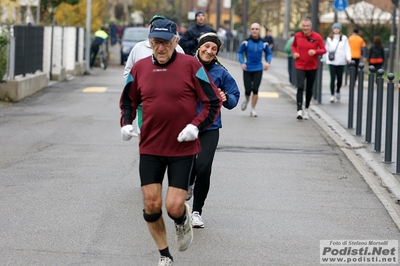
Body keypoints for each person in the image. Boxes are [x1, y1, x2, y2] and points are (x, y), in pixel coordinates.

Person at [119, 19, 222, 266]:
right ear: (150, 42)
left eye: (165, 42)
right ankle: (165, 254)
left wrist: (194, 127)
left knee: (174, 206)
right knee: (152, 205)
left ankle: (180, 219)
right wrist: (126, 122)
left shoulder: (191, 65)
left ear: (175, 41)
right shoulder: (140, 68)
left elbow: (213, 101)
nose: (160, 48)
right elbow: (128, 101)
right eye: (156, 43)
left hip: (181, 147)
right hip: (150, 146)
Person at [186, 33, 240, 228]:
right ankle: (188, 183)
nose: (209, 51)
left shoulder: (220, 73)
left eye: (214, 49)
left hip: (210, 126)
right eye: (206, 46)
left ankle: (197, 211)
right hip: (187, 125)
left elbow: (234, 96)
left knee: (204, 167)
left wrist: (227, 98)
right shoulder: (185, 66)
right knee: (189, 165)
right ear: (199, 47)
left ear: (217, 52)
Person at [123, 15, 185, 142]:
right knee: (144, 131)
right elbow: (129, 72)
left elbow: (184, 73)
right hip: (144, 100)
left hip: (169, 100)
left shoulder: (177, 49)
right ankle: (146, 154)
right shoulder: (138, 48)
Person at [291, 18, 326, 120]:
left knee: (309, 89)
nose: (305, 28)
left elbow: (324, 49)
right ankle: (299, 110)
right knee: (300, 86)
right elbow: (293, 46)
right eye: (303, 26)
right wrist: (294, 53)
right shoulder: (297, 36)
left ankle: (306, 108)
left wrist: (315, 52)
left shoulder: (317, 37)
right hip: (300, 65)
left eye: (307, 26)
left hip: (312, 66)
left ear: (311, 27)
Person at [237, 22, 272, 117]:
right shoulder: (246, 42)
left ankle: (253, 109)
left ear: (259, 30)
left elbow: (269, 53)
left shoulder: (264, 43)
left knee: (255, 89)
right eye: (253, 29)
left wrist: (268, 62)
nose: (254, 31)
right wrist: (242, 63)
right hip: (247, 68)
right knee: (248, 90)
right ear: (250, 30)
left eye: (256, 29)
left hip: (258, 68)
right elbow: (240, 52)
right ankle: (247, 99)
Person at [324, 23, 351, 103]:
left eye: (337, 28)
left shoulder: (344, 38)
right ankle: (332, 94)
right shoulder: (329, 39)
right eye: (335, 28)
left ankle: (338, 90)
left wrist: (348, 58)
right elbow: (326, 49)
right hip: (332, 61)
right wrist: (324, 59)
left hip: (341, 61)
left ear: (340, 30)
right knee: (332, 77)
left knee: (339, 78)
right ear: (332, 29)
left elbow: (347, 49)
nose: (336, 30)